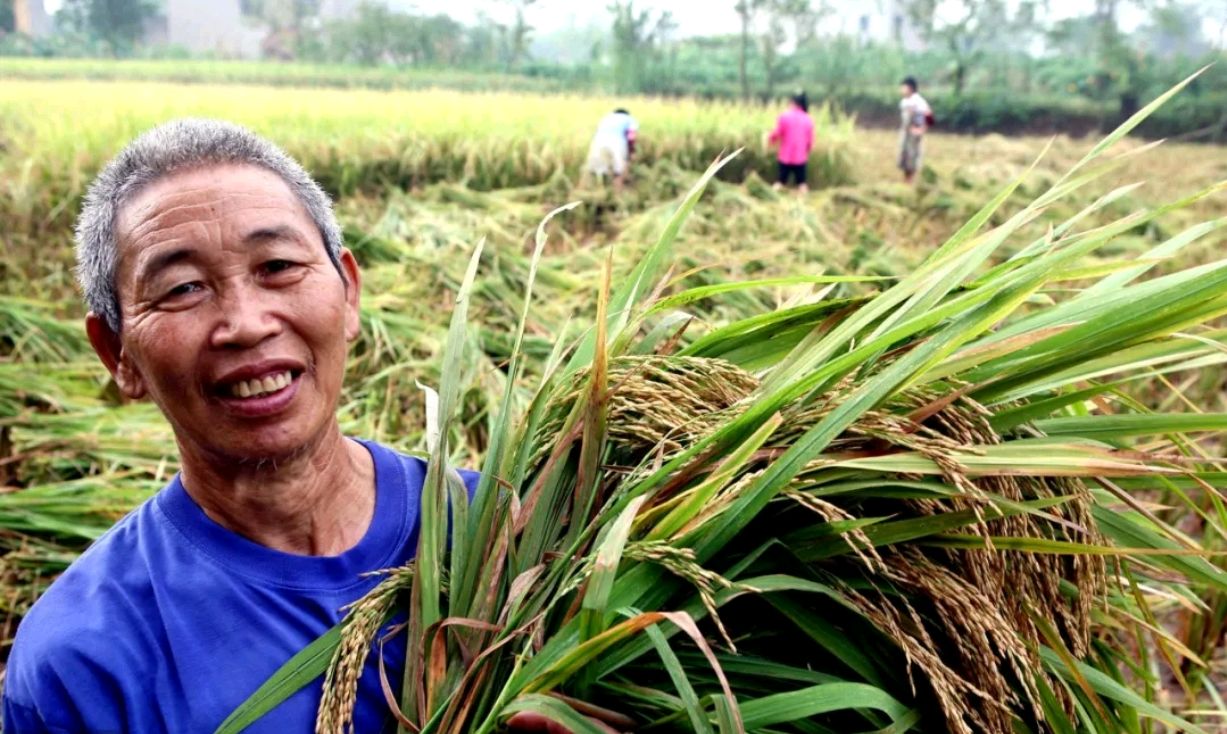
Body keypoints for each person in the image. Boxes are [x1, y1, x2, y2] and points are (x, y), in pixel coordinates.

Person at [0, 119, 565, 733]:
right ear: (118, 355)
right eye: (183, 288)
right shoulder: (85, 661)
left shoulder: (510, 536)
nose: (245, 323)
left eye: (277, 265)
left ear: (348, 293)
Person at [768, 92, 815, 194]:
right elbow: (810, 141)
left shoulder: (784, 116)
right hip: (800, 157)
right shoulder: (808, 119)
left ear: (793, 102)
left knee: (780, 182)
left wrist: (769, 139)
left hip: (785, 156)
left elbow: (777, 133)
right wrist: (806, 151)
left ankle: (771, 198)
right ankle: (806, 204)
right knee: (802, 184)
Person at [586, 107, 638, 192]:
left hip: (598, 143)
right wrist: (632, 152)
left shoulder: (605, 118)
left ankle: (590, 192)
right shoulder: (629, 119)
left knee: (595, 171)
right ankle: (617, 195)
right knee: (618, 172)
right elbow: (631, 137)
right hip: (617, 143)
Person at [898, 76, 932, 184]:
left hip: (914, 133)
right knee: (904, 157)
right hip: (905, 132)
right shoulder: (904, 101)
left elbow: (929, 116)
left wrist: (921, 129)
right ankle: (906, 181)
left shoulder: (919, 101)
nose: (901, 90)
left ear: (910, 88)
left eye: (903, 87)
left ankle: (910, 181)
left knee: (912, 157)